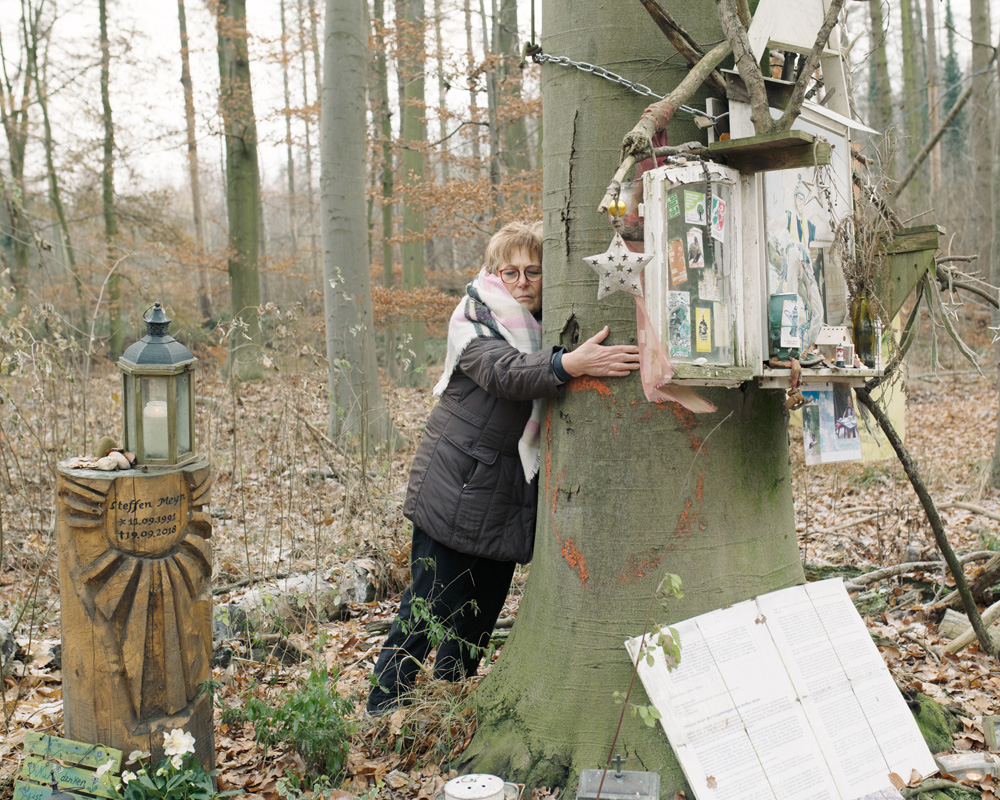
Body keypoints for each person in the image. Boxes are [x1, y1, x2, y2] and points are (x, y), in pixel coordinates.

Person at [366, 221, 641, 715]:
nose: (520, 282)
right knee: (430, 600)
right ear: (493, 272)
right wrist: (568, 365)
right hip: (458, 485)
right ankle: (384, 703)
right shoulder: (475, 318)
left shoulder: (542, 325)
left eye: (532, 271)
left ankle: (448, 702)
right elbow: (503, 373)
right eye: (509, 271)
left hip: (509, 491)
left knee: (480, 612)